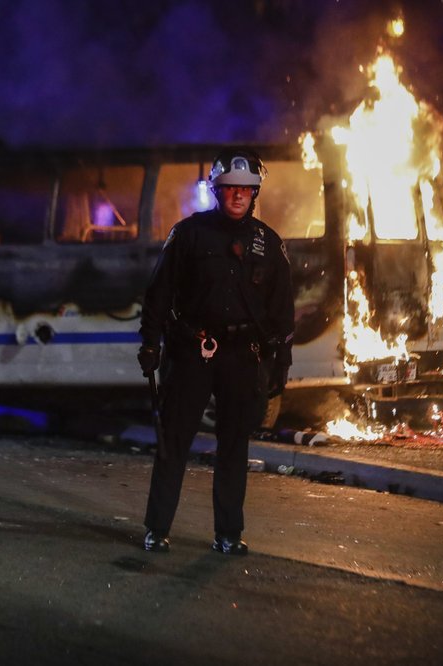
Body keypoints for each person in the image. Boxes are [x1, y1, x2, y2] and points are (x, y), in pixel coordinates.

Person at [137, 149, 294, 555]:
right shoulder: (188, 235)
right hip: (192, 352)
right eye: (229, 189)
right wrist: (151, 343)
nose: (237, 196)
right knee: (174, 442)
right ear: (215, 190)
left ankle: (228, 534)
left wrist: (280, 364)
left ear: (255, 193)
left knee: (233, 446)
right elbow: (158, 293)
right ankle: (156, 528)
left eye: (245, 189)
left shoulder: (268, 244)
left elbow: (281, 311)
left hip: (243, 357)